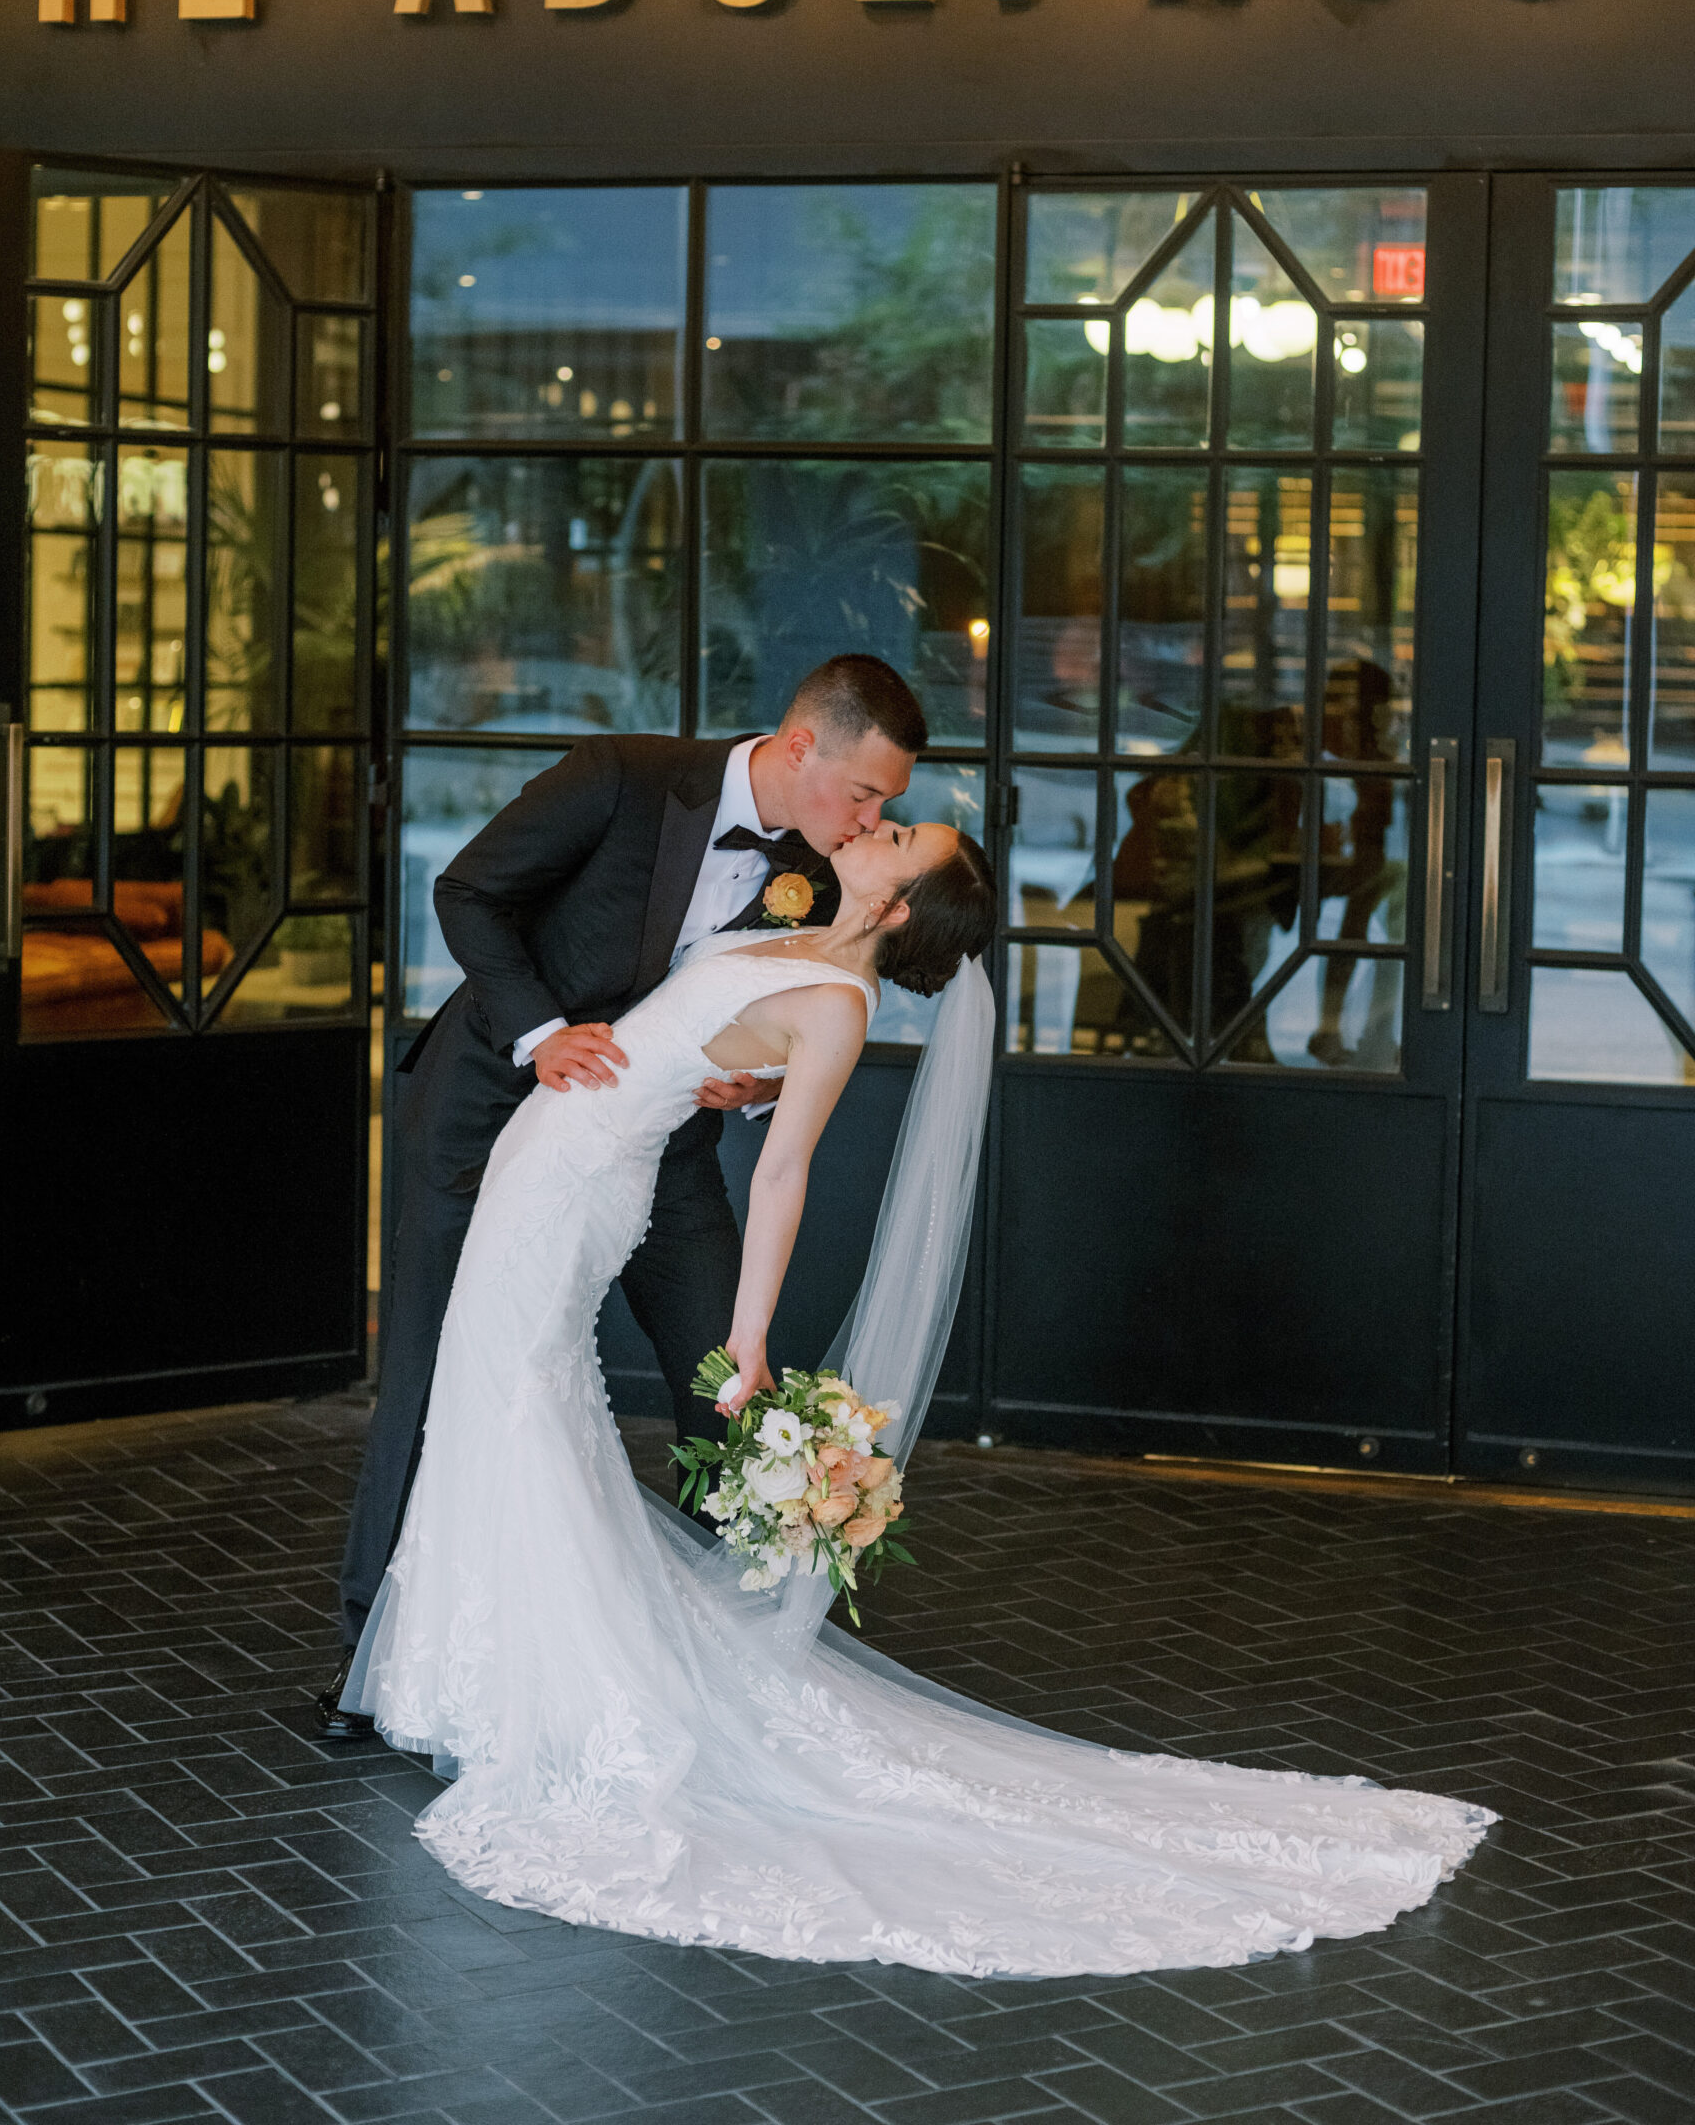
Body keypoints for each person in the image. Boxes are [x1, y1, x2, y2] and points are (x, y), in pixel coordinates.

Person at [344, 822, 1491, 1978]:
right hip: (552, 1153)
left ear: (899, 909)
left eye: (897, 838)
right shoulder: (797, 928)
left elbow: (784, 1173)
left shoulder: (837, 1004)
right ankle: (486, 1675)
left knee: (516, 1403)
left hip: (578, 1188)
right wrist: (728, 1070)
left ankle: (549, 1698)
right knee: (505, 1400)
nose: (871, 828)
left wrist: (748, 1335)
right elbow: (700, 1037)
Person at [317, 653, 927, 1736]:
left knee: (722, 1374)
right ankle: (380, 1655)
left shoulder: (829, 858)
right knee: (438, 1362)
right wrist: (543, 1033)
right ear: (801, 748)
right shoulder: (622, 775)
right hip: (489, 1113)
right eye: (866, 793)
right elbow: (467, 890)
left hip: (661, 1145)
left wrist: (758, 1083)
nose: (872, 818)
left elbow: (792, 1009)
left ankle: (734, 1650)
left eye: (885, 806)